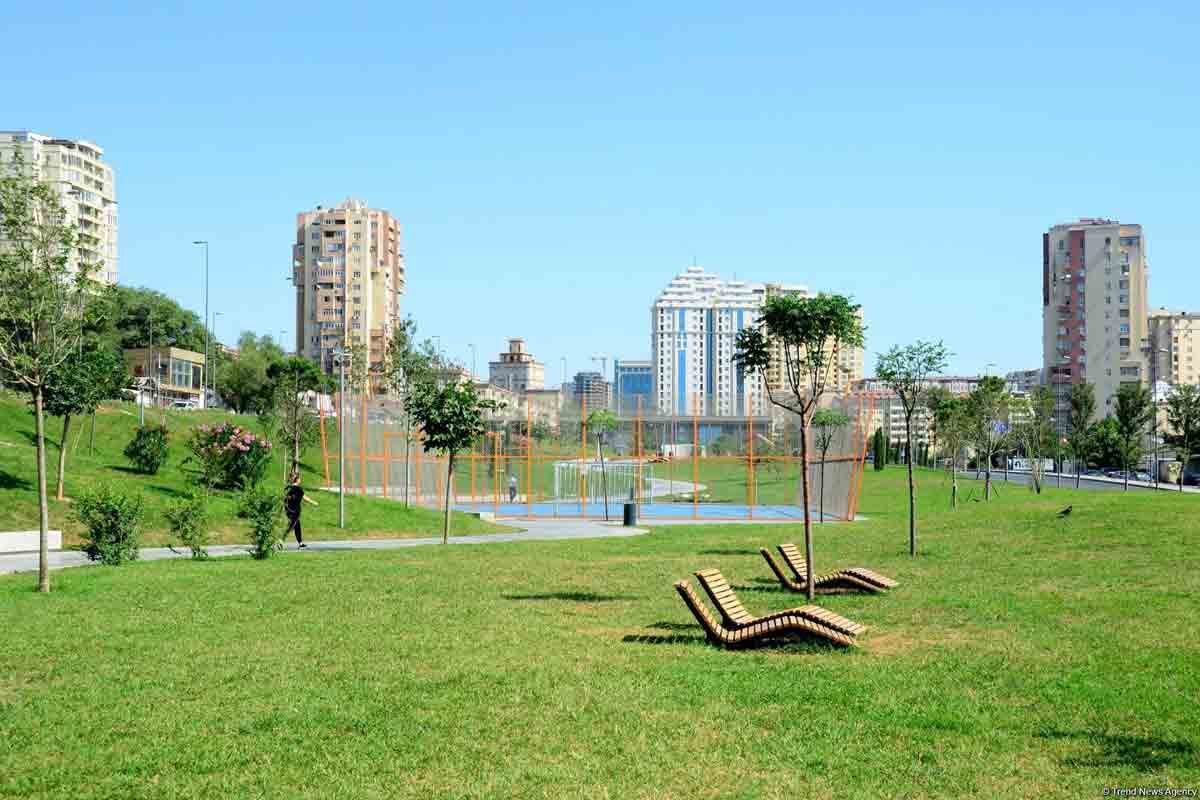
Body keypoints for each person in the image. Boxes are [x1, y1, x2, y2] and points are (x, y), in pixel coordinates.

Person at [284, 469, 319, 548]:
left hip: (288, 510)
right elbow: (305, 498)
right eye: (299, 478)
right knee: (291, 525)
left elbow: (285, 499)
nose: (300, 480)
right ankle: (281, 540)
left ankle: (300, 543)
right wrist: (314, 503)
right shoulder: (298, 489)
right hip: (295, 511)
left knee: (297, 526)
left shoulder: (288, 488)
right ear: (298, 480)